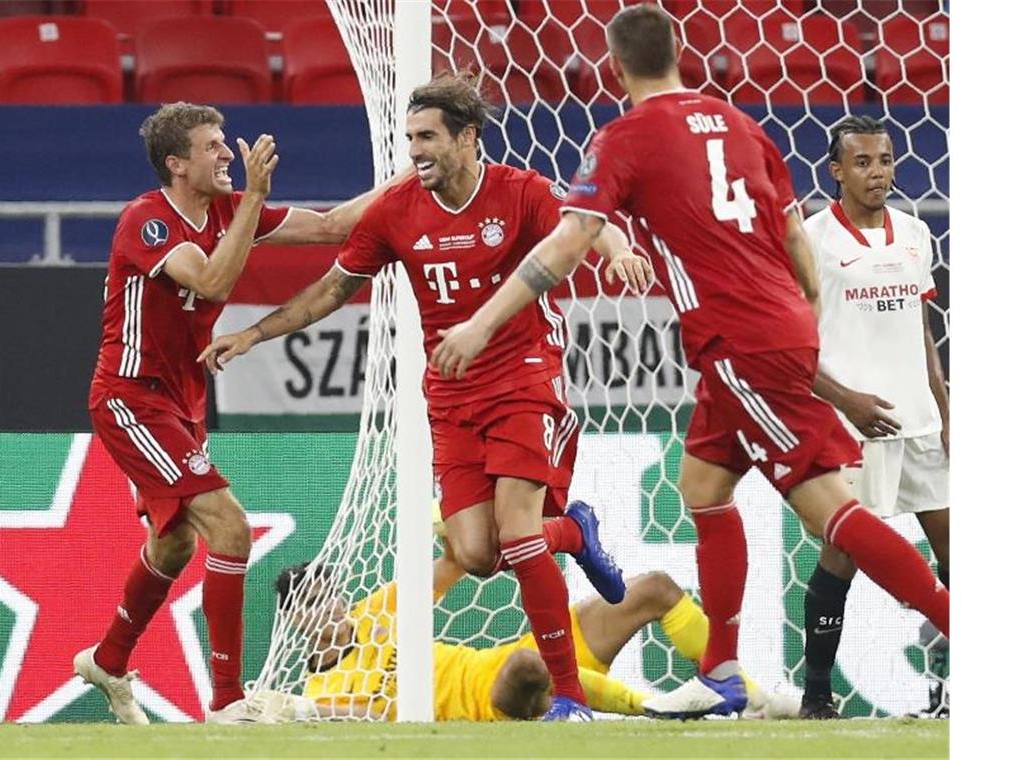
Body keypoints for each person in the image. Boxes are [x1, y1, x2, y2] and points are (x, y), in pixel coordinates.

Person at [430, 4, 949, 720]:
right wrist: (798, 309)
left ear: (616, 69)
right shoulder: (742, 124)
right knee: (702, 483)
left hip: (740, 339)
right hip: (764, 330)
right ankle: (724, 669)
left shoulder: (626, 136)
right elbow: (797, 235)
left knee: (830, 508)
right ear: (680, 54)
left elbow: (569, 240)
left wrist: (482, 324)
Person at [197, 72, 654, 721]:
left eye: (428, 136)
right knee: (475, 553)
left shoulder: (518, 192)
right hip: (449, 390)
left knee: (517, 534)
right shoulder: (396, 209)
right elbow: (331, 289)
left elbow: (584, 224)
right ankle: (572, 532)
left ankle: (570, 700)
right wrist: (254, 333)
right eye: (410, 137)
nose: (416, 150)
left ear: (468, 138)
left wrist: (620, 248)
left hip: (524, 374)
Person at [74, 102, 405, 725]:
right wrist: (253, 197)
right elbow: (214, 281)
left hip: (181, 402)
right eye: (212, 146)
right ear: (177, 164)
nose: (228, 153)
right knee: (230, 529)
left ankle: (110, 659)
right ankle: (228, 702)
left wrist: (411, 172)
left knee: (172, 546)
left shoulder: (227, 209)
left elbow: (334, 224)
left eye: (226, 142)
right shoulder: (148, 220)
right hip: (130, 396)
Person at [254, 533, 796, 722]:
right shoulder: (319, 693)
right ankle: (652, 708)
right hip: (492, 700)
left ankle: (751, 697)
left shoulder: (377, 613)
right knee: (530, 664)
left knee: (652, 587)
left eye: (334, 594)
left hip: (516, 655)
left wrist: (450, 528)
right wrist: (305, 710)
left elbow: (454, 566)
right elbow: (363, 715)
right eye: (314, 603)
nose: (332, 608)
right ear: (295, 622)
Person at [797, 115, 950, 719]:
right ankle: (816, 697)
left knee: (956, 551)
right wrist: (845, 400)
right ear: (836, 172)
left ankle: (959, 688)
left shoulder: (915, 233)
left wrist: (945, 405)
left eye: (884, 160)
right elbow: (790, 345)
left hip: (919, 422)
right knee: (843, 557)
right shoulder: (810, 239)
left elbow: (922, 327)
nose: (877, 172)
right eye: (862, 162)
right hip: (854, 429)